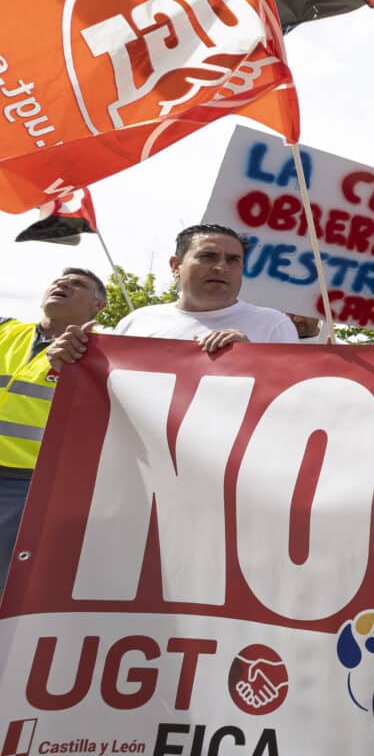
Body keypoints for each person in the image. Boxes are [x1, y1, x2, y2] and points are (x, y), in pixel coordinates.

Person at [49, 224, 297, 370]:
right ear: (175, 265)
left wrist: (252, 362)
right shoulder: (138, 322)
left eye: (233, 260)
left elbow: (294, 400)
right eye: (208, 257)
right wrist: (71, 363)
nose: (221, 267)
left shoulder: (272, 325)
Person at [1, 269, 107, 590]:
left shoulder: (106, 353)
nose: (63, 284)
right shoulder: (6, 329)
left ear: (98, 305)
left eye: (78, 284)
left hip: (24, 484)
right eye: (60, 280)